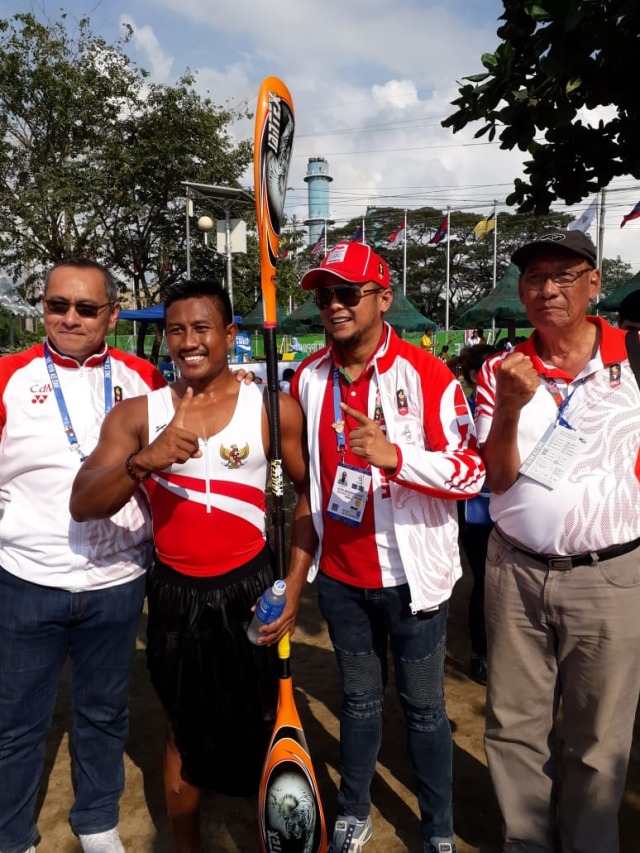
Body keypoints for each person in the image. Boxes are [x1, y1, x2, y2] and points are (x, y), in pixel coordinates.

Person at [70, 280, 316, 853]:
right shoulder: (137, 414)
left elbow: (312, 499)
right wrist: (142, 462)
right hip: (175, 593)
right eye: (176, 330)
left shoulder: (271, 408)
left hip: (252, 588)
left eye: (202, 328)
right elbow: (84, 504)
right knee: (183, 728)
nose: (188, 341)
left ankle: (269, 837)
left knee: (261, 723)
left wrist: (297, 584)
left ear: (230, 335)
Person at [290, 241, 485, 853]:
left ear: (383, 295)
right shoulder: (308, 376)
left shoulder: (425, 374)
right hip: (343, 579)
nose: (335, 306)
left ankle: (438, 829)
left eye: (348, 292)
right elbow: (307, 482)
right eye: (326, 296)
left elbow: (472, 472)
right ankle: (353, 810)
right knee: (358, 701)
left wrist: (398, 459)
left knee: (425, 710)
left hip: (414, 580)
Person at [475, 229, 640, 852]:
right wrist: (513, 407)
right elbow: (496, 477)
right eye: (535, 278)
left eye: (563, 276)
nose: (547, 290)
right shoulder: (501, 369)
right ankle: (527, 843)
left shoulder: (634, 357)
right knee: (514, 727)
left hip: (612, 577)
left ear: (594, 283)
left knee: (599, 737)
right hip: (515, 572)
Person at [0, 258, 165, 853]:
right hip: (26, 579)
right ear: (41, 307)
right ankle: (11, 834)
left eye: (86, 308)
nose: (69, 318)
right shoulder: (8, 376)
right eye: (56, 305)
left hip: (117, 580)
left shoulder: (145, 377)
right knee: (16, 724)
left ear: (112, 314)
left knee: (102, 711)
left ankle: (97, 821)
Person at [456, 344, 497, 686]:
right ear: (473, 376)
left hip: (509, 512)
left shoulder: (510, 404)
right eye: (490, 369)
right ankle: (479, 654)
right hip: (478, 513)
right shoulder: (466, 413)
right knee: (485, 582)